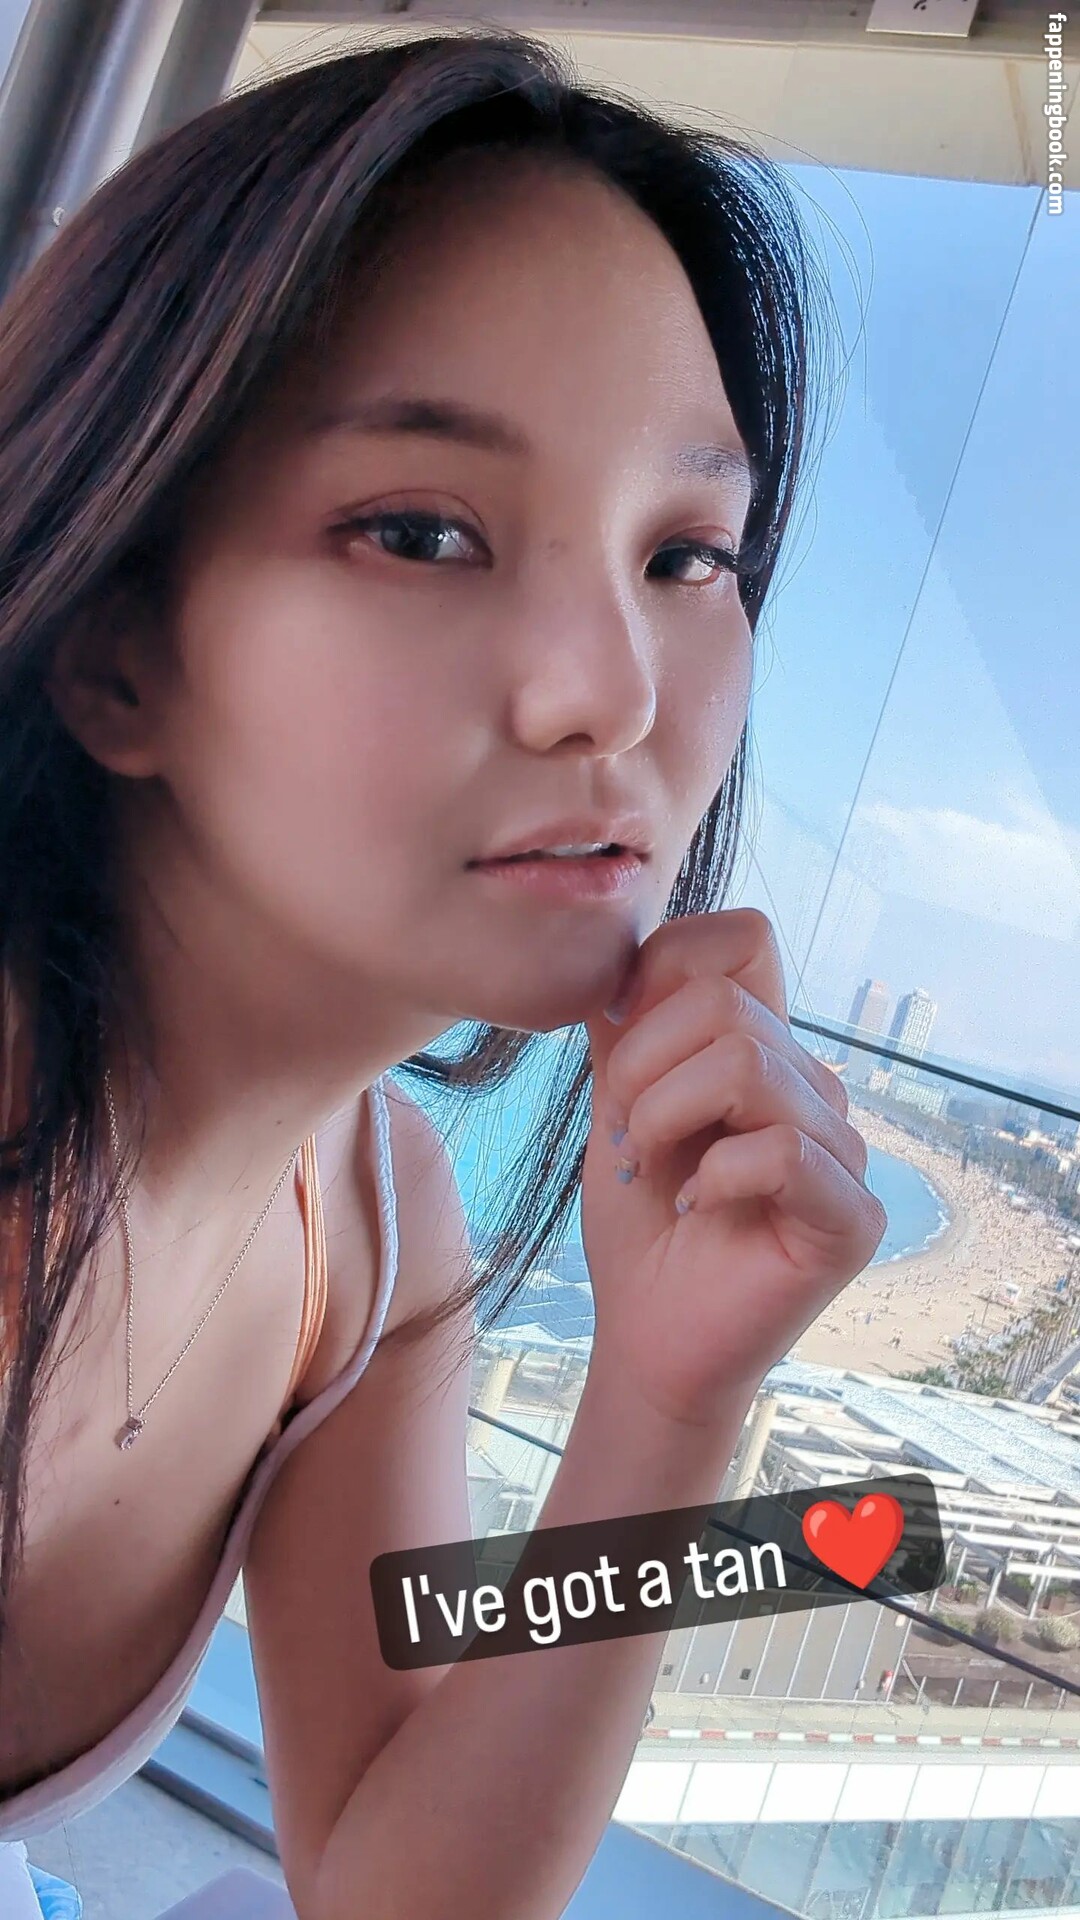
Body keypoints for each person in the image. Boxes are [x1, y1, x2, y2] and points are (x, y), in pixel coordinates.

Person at [0, 29, 885, 1920]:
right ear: (114, 647)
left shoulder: (374, 1228)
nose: (613, 695)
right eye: (423, 533)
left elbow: (400, 1886)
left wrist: (666, 1405)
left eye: (687, 555)